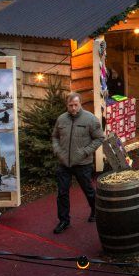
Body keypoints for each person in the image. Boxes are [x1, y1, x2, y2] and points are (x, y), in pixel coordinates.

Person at [51, 92, 104, 234]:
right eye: (70, 105)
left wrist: (85, 152)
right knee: (62, 193)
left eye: (76, 105)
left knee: (88, 190)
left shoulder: (90, 119)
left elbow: (99, 138)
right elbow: (55, 137)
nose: (73, 108)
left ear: (80, 104)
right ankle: (64, 221)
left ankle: (95, 210)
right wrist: (58, 151)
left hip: (83, 163)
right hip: (64, 163)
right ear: (67, 105)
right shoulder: (61, 119)